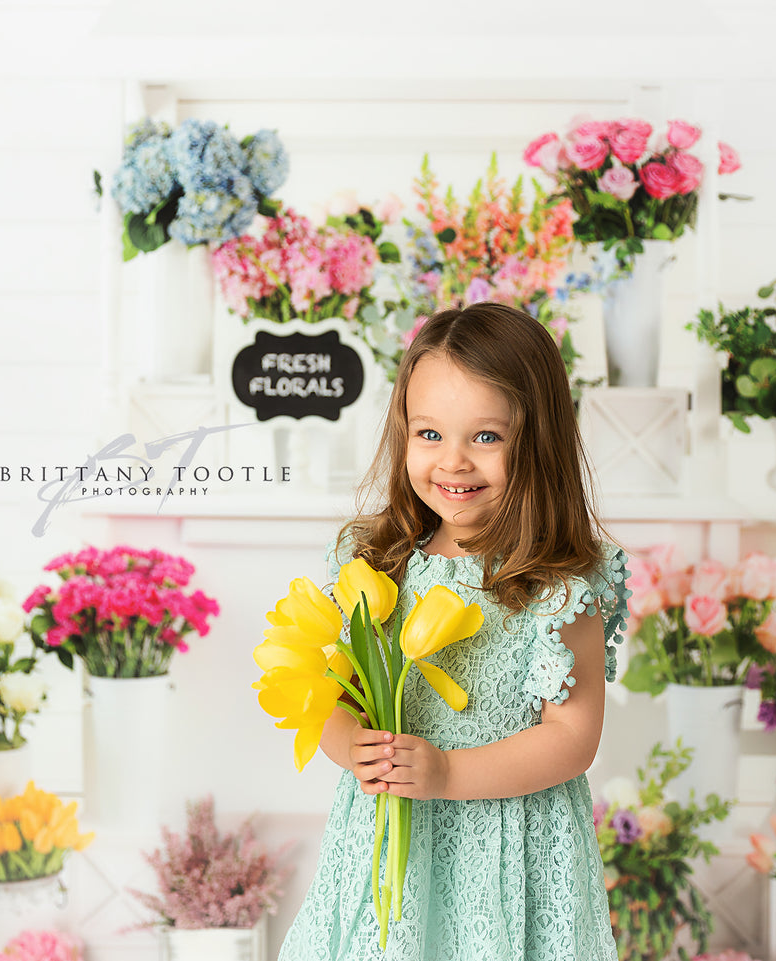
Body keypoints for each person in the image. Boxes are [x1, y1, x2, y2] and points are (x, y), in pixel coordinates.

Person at [278, 302, 630, 961]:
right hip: (390, 841)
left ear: (538, 441)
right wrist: (353, 746)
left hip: (508, 844)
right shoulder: (375, 563)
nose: (453, 462)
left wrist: (445, 771)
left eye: (486, 437)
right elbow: (329, 690)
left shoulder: (556, 584)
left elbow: (571, 738)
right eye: (430, 434)